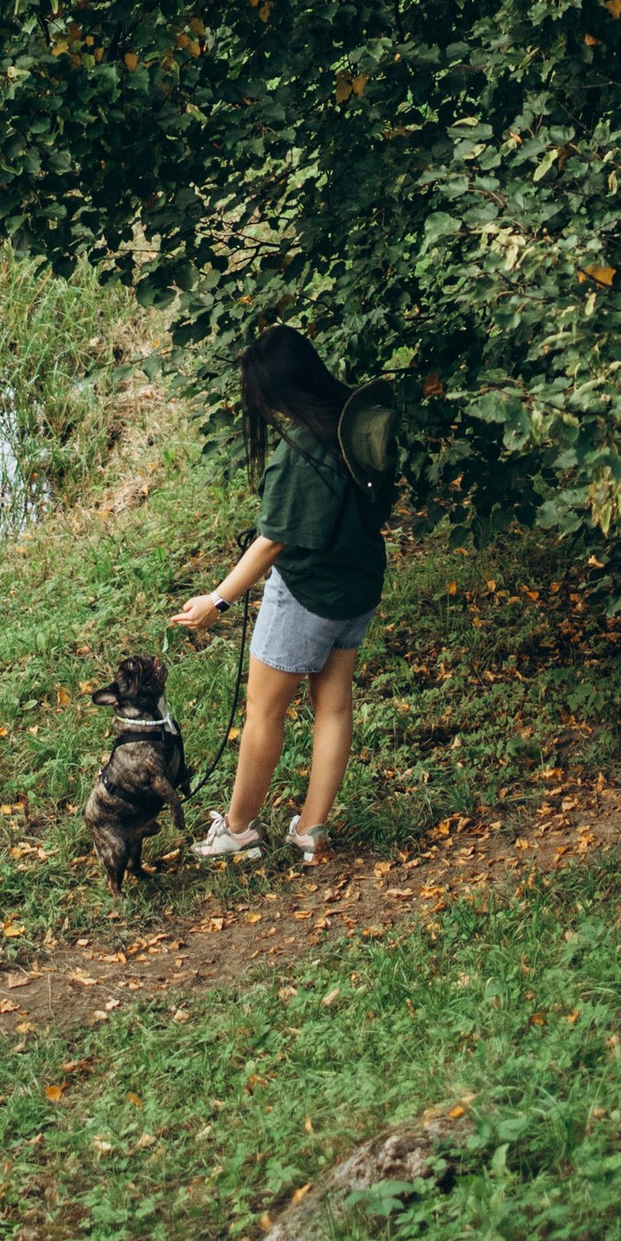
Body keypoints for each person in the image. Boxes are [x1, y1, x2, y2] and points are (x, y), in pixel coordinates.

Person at [173, 325, 384, 865]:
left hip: (308, 593)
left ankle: (238, 830)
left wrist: (216, 601)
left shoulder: (301, 451)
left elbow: (271, 543)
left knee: (264, 711)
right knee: (334, 706)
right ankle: (311, 831)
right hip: (357, 582)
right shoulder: (354, 420)